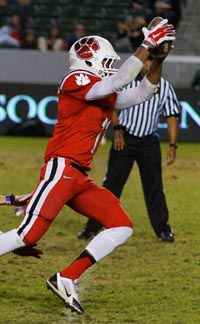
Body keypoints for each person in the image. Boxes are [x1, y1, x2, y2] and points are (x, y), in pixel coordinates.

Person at [0, 19, 176, 314]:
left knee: (122, 226)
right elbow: (118, 81)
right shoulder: (75, 79)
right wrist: (146, 45)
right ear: (88, 59)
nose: (110, 67)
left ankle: (67, 277)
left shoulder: (100, 91)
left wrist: (157, 59)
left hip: (78, 176)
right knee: (26, 236)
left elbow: (144, 92)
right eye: (106, 62)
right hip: (63, 167)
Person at [78, 55, 180, 242]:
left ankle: (163, 229)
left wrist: (173, 145)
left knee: (154, 187)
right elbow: (112, 107)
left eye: (152, 62)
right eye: (146, 62)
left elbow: (172, 115)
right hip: (124, 139)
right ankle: (92, 227)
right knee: (111, 185)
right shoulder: (126, 82)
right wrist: (117, 129)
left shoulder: (165, 87)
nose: (148, 65)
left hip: (149, 141)